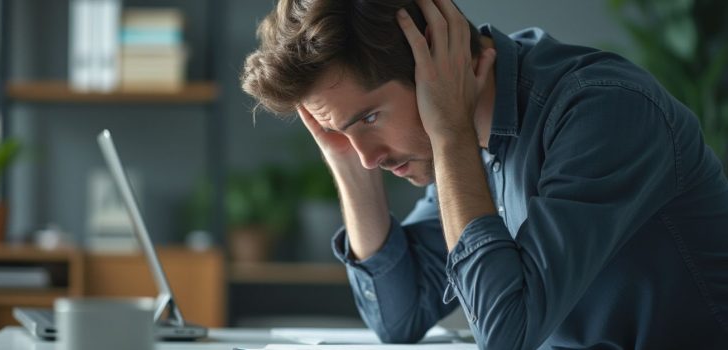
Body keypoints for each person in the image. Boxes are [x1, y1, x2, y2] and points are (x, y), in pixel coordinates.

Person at [241, 0, 728, 348]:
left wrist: (450, 131)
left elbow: (506, 335)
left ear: (435, 63)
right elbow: (400, 316)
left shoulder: (602, 112)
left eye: (369, 119)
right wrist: (349, 166)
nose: (370, 156)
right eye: (343, 132)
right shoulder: (470, 139)